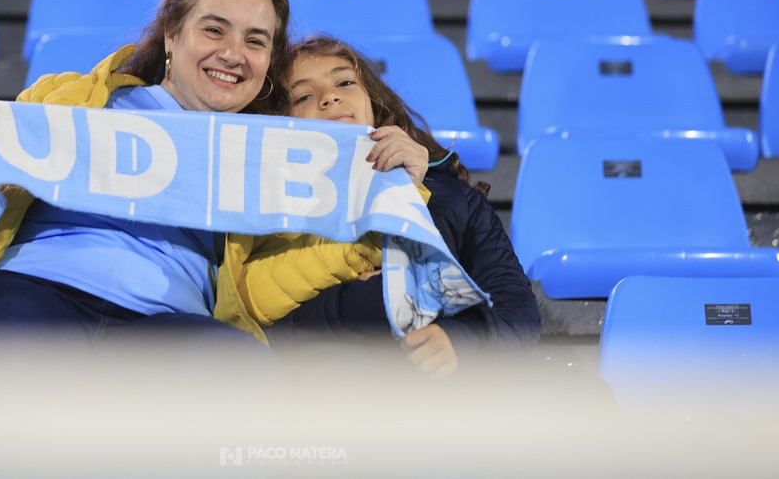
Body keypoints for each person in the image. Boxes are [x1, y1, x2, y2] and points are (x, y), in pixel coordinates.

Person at [0, 0, 295, 380]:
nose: (233, 54)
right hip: (31, 291)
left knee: (246, 375)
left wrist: (346, 190)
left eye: (255, 41)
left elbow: (289, 269)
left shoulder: (270, 159)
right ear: (171, 34)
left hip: (167, 327)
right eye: (214, 29)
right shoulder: (69, 98)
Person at [218, 35, 542, 379]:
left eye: (344, 82)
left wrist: (459, 336)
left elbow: (517, 310)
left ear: (373, 102)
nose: (329, 97)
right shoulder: (266, 202)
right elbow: (255, 310)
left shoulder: (452, 198)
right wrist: (372, 295)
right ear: (278, 123)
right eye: (303, 96)